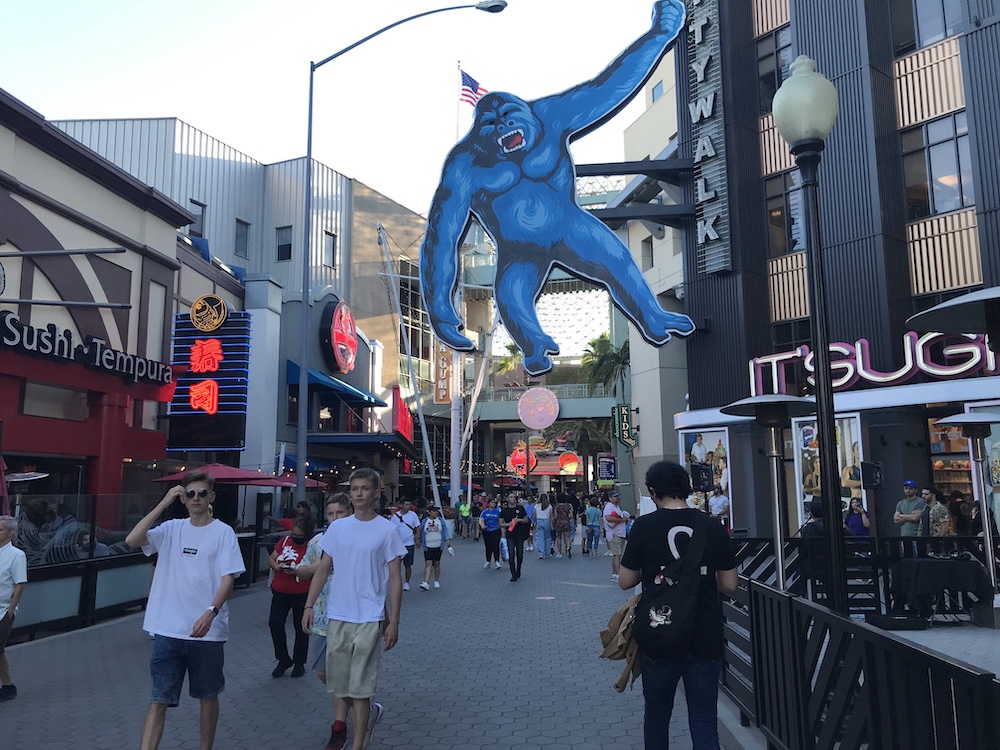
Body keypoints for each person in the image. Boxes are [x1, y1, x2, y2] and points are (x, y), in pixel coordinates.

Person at [618, 461, 737, 750]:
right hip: (705, 631)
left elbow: (625, 580)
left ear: (653, 491)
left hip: (660, 633)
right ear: (687, 488)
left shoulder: (644, 526)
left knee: (657, 716)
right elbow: (730, 585)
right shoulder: (712, 525)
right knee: (704, 718)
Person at [125, 472, 245, 750]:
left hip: (207, 633)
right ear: (183, 498)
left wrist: (211, 611)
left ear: (211, 497)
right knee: (158, 699)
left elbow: (229, 578)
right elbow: (132, 540)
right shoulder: (171, 529)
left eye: (202, 493)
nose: (196, 499)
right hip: (168, 630)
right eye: (190, 494)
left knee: (208, 695)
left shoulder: (223, 532)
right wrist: (164, 502)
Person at [302, 468, 405, 750]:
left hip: (370, 616)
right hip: (338, 614)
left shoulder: (387, 530)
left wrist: (393, 621)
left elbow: (395, 577)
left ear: (376, 493)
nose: (359, 493)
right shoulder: (337, 528)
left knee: (360, 687)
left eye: (364, 488)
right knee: (338, 684)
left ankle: (358, 743)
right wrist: (309, 605)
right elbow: (323, 568)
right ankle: (369, 715)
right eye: (355, 489)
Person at [294, 493, 353, 684]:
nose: (335, 518)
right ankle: (361, 708)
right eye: (330, 514)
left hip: (351, 615)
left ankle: (357, 712)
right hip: (322, 616)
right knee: (322, 672)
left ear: (349, 512)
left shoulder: (358, 540)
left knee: (346, 671)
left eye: (339, 513)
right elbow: (301, 571)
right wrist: (318, 567)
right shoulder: (317, 542)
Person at [267, 513, 316, 678]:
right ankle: (283, 658)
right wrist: (278, 566)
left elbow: (314, 569)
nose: (295, 538)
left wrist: (298, 571)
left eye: (299, 536)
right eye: (294, 535)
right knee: (275, 623)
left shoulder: (311, 547)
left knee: (300, 627)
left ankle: (299, 661)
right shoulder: (286, 541)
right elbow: (272, 558)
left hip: (301, 591)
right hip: (280, 590)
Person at [0, 516, 27, 702]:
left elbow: (20, 584)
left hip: (2, 610)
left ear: (10, 533)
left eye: (0, 529)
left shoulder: (17, 555)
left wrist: (11, 610)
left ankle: (9, 686)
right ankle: (8, 686)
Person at [418, 505, 452, 590]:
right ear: (429, 512)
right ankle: (426, 582)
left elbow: (445, 531)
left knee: (437, 563)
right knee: (428, 563)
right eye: (433, 511)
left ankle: (436, 580)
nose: (435, 512)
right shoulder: (425, 521)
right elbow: (421, 531)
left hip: (438, 545)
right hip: (428, 545)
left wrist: (447, 540)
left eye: (436, 511)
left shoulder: (440, 521)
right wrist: (419, 540)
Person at [390, 500, 420, 592]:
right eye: (406, 504)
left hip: (409, 543)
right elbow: (391, 529)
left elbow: (417, 527)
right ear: (402, 505)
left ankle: (407, 582)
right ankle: (397, 581)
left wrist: (417, 539)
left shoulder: (413, 515)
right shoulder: (395, 516)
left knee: (408, 564)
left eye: (409, 504)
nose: (408, 506)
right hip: (398, 544)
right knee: (396, 564)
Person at [500, 496, 530, 581]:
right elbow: (500, 523)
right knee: (511, 554)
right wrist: (508, 524)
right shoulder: (504, 511)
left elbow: (526, 520)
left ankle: (519, 568)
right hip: (510, 535)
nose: (512, 499)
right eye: (510, 497)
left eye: (513, 497)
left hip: (520, 535)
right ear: (507, 499)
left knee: (520, 554)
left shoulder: (520, 508)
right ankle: (513, 573)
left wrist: (519, 520)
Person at [603, 490, 630, 583]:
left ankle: (614, 574)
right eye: (615, 496)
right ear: (610, 498)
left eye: (618, 496)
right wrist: (622, 520)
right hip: (614, 534)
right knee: (617, 555)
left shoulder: (616, 507)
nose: (617, 498)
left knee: (617, 555)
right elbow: (608, 518)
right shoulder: (609, 507)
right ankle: (618, 574)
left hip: (619, 534)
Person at [479, 497, 503, 569]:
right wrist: (483, 526)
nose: (493, 504)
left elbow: (500, 521)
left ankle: (497, 561)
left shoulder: (498, 512)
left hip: (496, 530)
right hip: (487, 531)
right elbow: (481, 520)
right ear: (488, 504)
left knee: (495, 545)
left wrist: (502, 530)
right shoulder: (484, 512)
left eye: (494, 503)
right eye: (492, 502)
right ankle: (488, 561)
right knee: (488, 546)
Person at [533, 494, 553, 560]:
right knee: (547, 538)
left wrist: (535, 522)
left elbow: (534, 515)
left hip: (539, 521)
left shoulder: (536, 506)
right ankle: (548, 552)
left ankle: (541, 553)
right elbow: (550, 516)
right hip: (547, 521)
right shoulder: (549, 506)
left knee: (540, 538)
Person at [553, 494, 573, 558]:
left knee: (559, 537)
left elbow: (555, 516)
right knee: (567, 537)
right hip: (566, 522)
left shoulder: (556, 507)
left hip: (559, 522)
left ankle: (559, 553)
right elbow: (571, 516)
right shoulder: (568, 506)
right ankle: (568, 547)